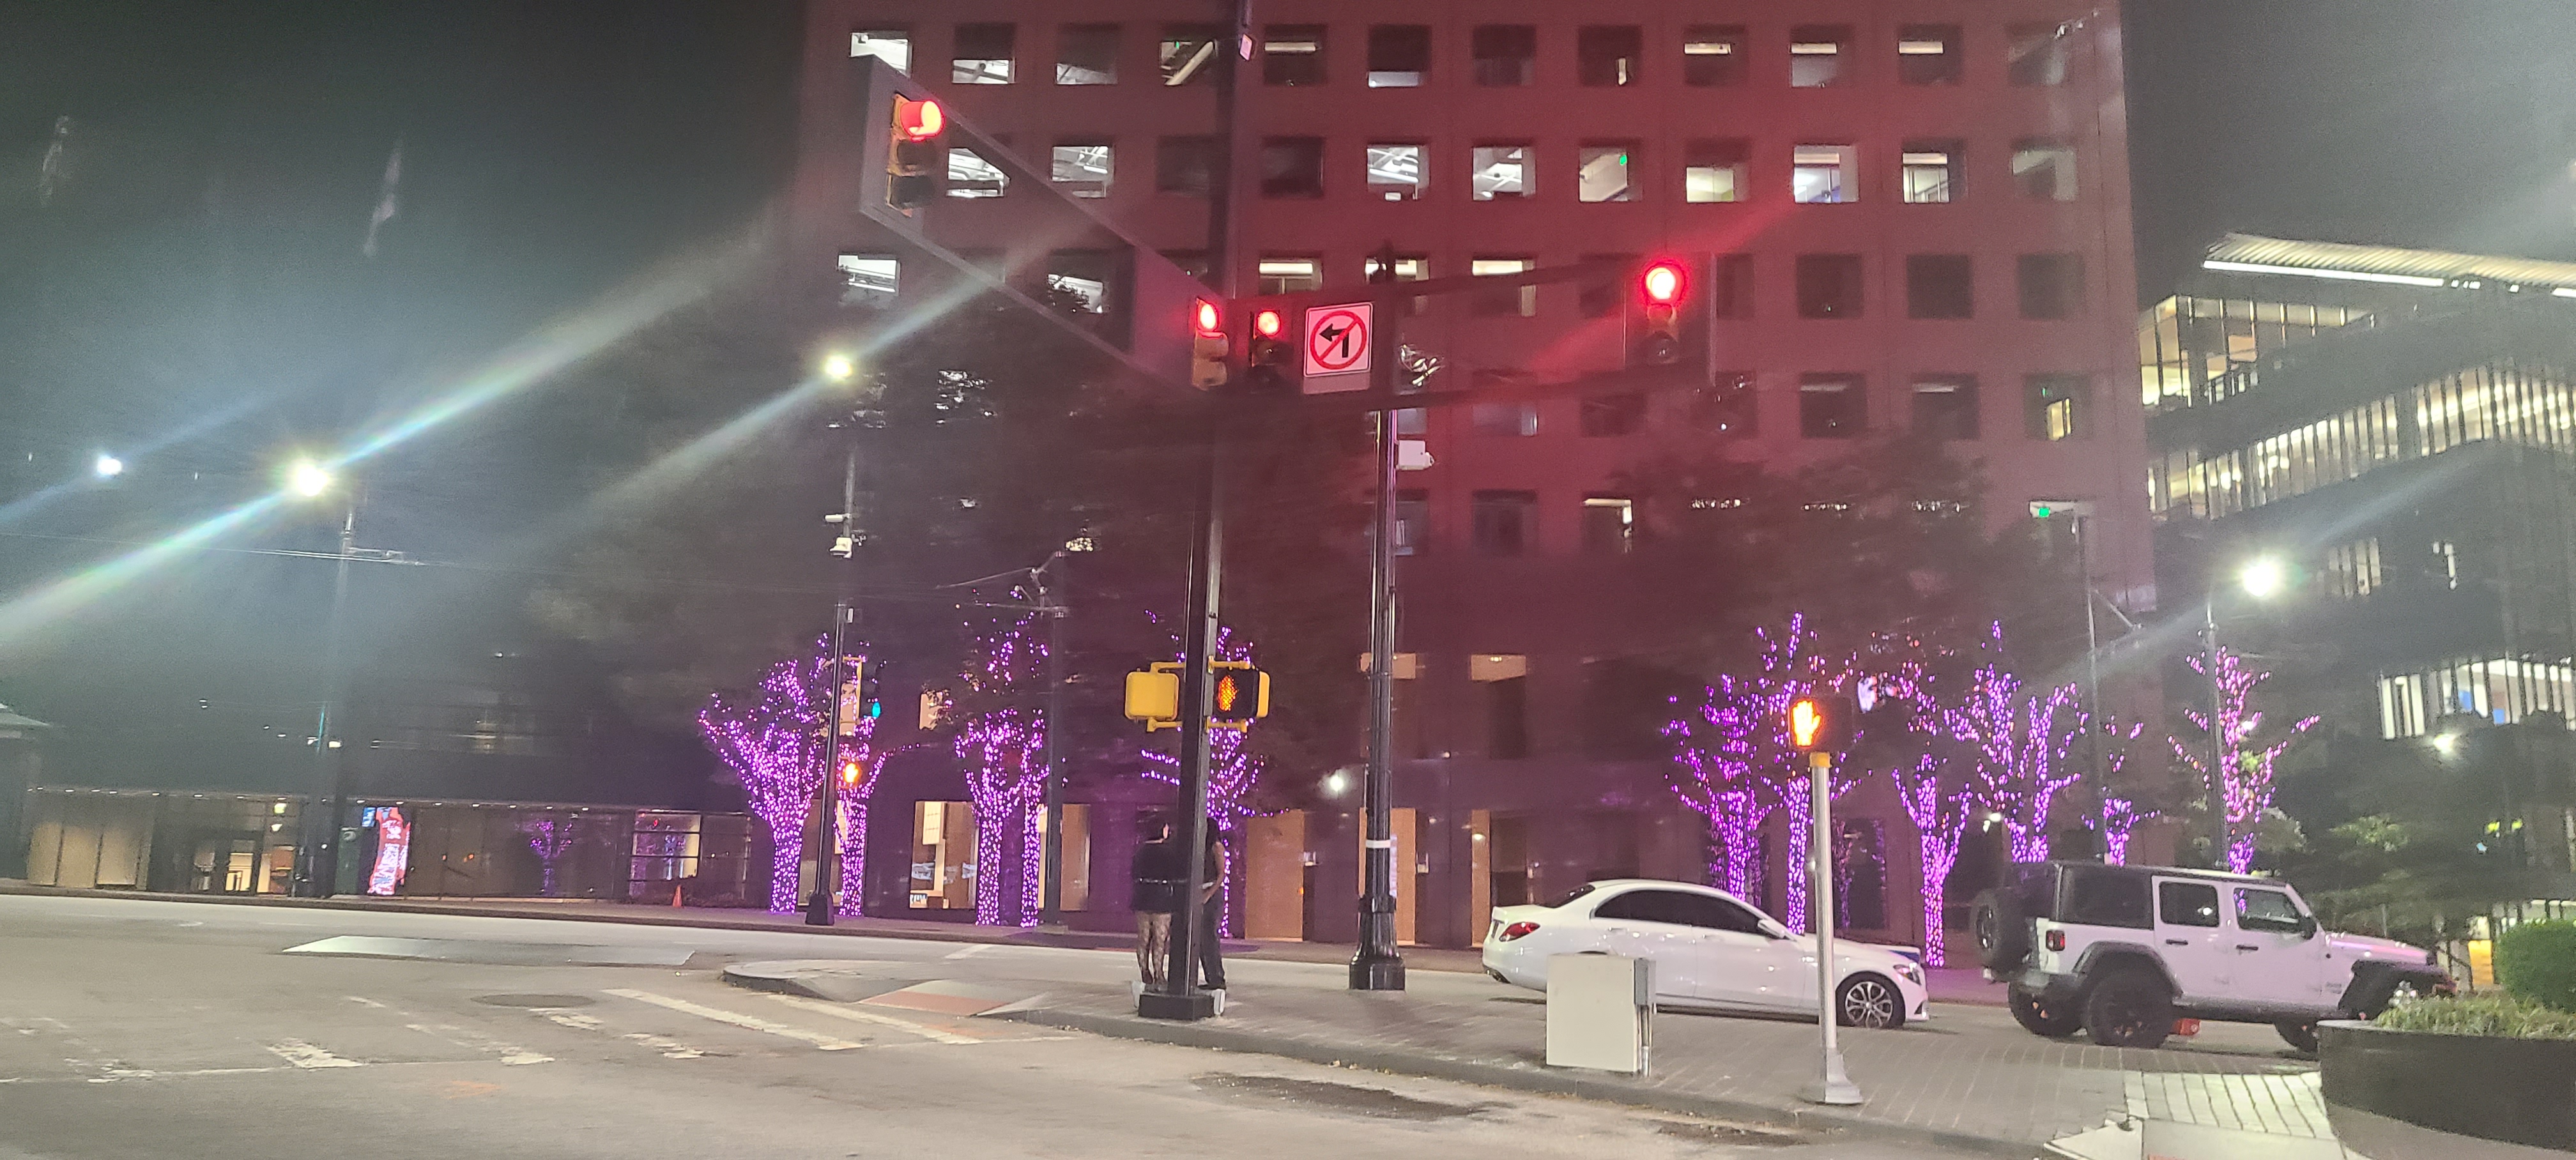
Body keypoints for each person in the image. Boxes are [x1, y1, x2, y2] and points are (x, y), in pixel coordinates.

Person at [1128, 816, 1181, 995]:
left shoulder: (1140, 851)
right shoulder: (1169, 852)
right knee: (1160, 938)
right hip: (1161, 897)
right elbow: (1175, 874)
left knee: (1143, 937)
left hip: (1142, 896)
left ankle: (1144, 971)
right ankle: (1159, 973)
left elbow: (1133, 873)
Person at [1194, 826, 1229, 1005]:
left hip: (1212, 893)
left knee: (1209, 936)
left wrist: (1209, 894)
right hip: (1201, 891)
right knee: (1201, 938)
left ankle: (1217, 977)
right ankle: (1210, 976)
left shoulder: (1216, 847)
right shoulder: (1200, 847)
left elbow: (1222, 874)